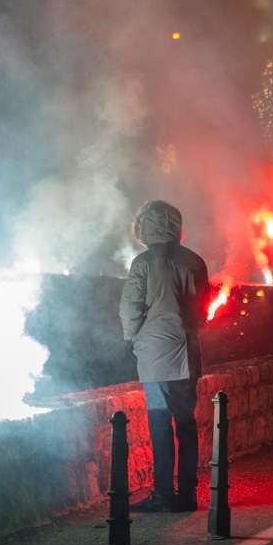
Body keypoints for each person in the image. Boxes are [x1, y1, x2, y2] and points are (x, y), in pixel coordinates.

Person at [119, 200, 210, 513]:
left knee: (160, 425)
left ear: (145, 225)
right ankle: (187, 494)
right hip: (187, 354)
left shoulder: (143, 263)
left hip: (156, 356)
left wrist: (132, 338)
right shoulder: (194, 262)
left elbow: (130, 308)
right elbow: (204, 307)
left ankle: (163, 493)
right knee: (186, 425)